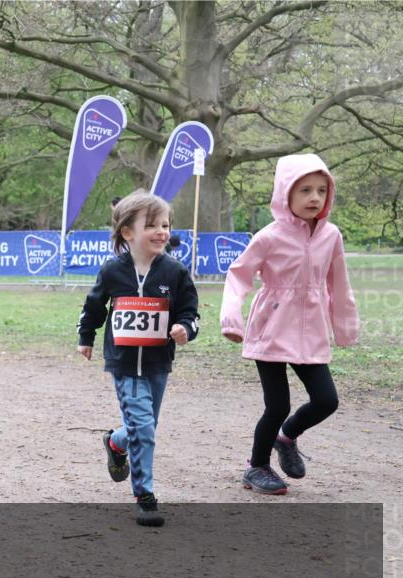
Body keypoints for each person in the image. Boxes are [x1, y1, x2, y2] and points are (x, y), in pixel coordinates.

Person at [221, 154, 359, 495]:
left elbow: (338, 284)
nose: (314, 198)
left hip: (311, 329)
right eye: (305, 190)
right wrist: (231, 317)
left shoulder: (332, 236)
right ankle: (256, 467)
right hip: (271, 326)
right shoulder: (269, 236)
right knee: (277, 404)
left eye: (322, 190)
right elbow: (238, 275)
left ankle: (286, 436)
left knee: (326, 400)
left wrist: (345, 327)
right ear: (286, 194)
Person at [77, 189, 200, 527]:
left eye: (166, 225)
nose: (162, 232)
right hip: (125, 363)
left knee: (144, 427)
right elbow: (93, 307)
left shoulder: (175, 272)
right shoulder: (113, 271)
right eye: (152, 225)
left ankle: (116, 443)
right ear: (128, 233)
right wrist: (85, 337)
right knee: (144, 429)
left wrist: (184, 328)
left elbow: (190, 311)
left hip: (159, 362)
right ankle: (144, 495)